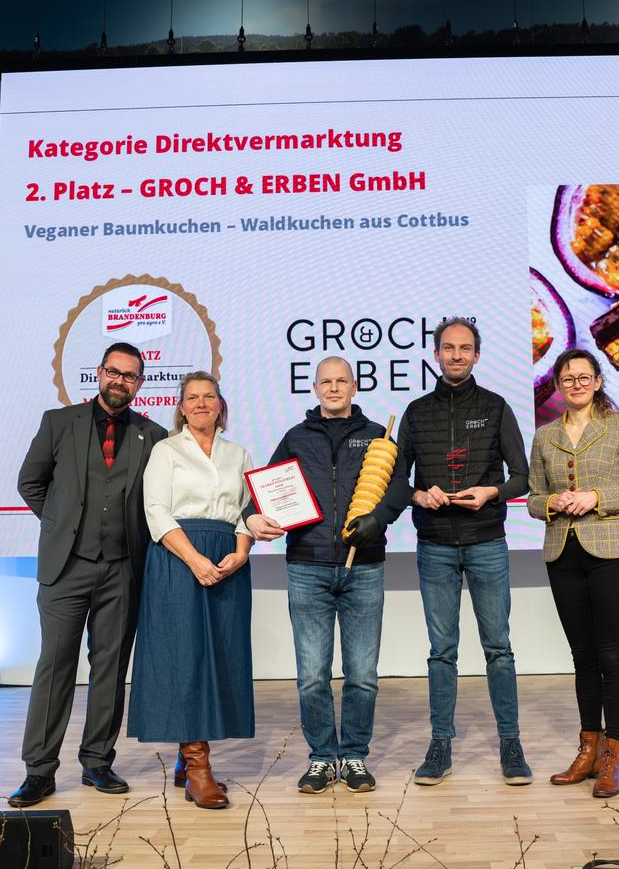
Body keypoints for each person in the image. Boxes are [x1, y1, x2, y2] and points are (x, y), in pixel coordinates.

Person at [10, 342, 167, 808]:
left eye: (130, 376)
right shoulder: (59, 423)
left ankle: (97, 761)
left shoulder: (153, 435)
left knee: (110, 670)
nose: (120, 381)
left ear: (139, 384)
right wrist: (62, 526)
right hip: (66, 568)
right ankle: (39, 771)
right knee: (55, 666)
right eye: (113, 372)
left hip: (123, 569)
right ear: (99, 373)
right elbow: (30, 482)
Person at [245, 357, 410, 794]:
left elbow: (399, 485)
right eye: (326, 382)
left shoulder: (378, 435)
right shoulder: (295, 437)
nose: (334, 388)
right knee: (312, 675)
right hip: (307, 567)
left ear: (354, 387)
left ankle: (354, 755)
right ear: (315, 388)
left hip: (365, 566)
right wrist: (252, 515)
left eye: (341, 381)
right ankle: (321, 757)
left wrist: (380, 518)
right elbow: (265, 492)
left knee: (362, 675)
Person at [396, 316, 532, 785]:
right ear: (436, 354)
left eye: (465, 348)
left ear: (477, 355)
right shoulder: (416, 412)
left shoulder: (496, 407)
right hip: (434, 544)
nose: (457, 355)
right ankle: (440, 745)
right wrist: (419, 495)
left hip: (486, 542)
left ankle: (511, 744)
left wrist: (491, 492)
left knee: (499, 648)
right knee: (442, 651)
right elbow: (396, 481)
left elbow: (522, 477)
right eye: (449, 348)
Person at [526, 349, 619, 798]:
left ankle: (611, 756)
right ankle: (587, 749)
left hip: (611, 553)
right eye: (568, 379)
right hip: (563, 552)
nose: (576, 385)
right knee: (582, 657)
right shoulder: (545, 435)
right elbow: (533, 499)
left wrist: (596, 497)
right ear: (558, 386)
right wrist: (552, 503)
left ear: (598, 382)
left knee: (610, 654)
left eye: (584, 377)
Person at [126, 371, 256, 809]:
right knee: (185, 658)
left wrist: (241, 552)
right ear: (181, 408)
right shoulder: (166, 450)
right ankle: (198, 767)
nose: (201, 403)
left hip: (227, 559)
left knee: (219, 656)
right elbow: (156, 510)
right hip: (178, 558)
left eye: (209, 396)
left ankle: (188, 754)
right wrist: (195, 559)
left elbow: (247, 510)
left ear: (221, 405)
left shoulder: (238, 454)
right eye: (193, 397)